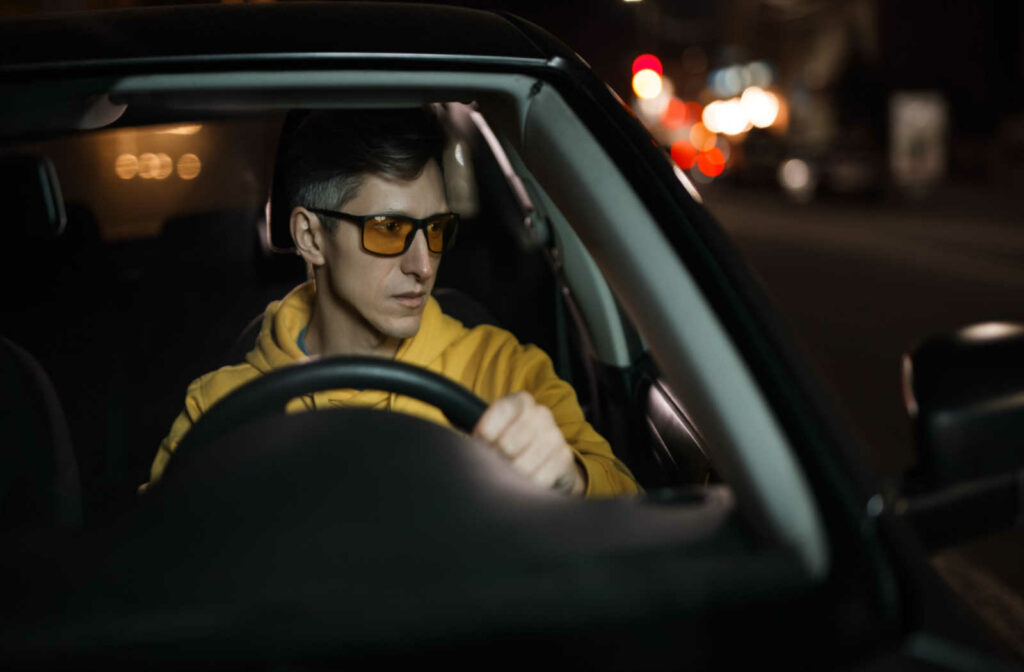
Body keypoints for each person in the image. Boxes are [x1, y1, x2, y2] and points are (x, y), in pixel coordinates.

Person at [141, 107, 638, 497]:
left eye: (436, 229)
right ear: (311, 238)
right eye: (390, 230)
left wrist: (568, 477)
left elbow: (628, 504)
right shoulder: (222, 409)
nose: (423, 264)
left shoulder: (504, 372)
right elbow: (146, 567)